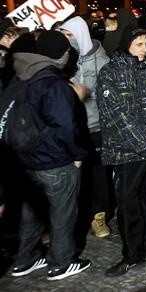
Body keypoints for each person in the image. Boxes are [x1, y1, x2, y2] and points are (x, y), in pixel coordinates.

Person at [9, 31, 92, 281]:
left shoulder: (23, 73)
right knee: (62, 212)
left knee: (32, 212)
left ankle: (25, 259)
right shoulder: (54, 83)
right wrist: (78, 154)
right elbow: (66, 126)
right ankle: (61, 263)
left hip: (27, 159)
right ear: (62, 54)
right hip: (54, 161)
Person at [97, 27, 146, 276]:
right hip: (127, 153)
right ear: (126, 44)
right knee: (129, 206)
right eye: (138, 44)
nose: (144, 48)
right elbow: (114, 114)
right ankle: (132, 254)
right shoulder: (110, 72)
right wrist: (140, 142)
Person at [58, 17, 112, 239]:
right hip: (72, 128)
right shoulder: (63, 59)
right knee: (74, 177)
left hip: (96, 127)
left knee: (99, 176)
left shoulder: (102, 61)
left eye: (69, 35)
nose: (66, 40)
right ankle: (75, 217)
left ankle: (99, 216)